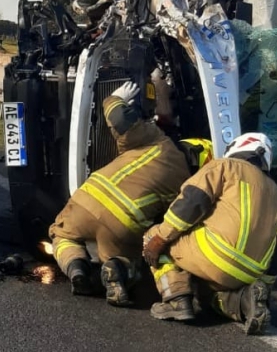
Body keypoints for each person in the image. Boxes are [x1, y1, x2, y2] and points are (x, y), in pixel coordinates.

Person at [48, 80, 192, 306]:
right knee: (128, 261)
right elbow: (169, 221)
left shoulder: (156, 139)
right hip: (122, 223)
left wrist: (115, 99)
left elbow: (120, 119)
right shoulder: (186, 182)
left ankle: (76, 268)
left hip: (85, 201)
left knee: (62, 235)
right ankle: (117, 270)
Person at [142, 132, 277, 335]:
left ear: (235, 148)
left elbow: (191, 204)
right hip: (249, 273)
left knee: (153, 235)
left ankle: (176, 299)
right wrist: (265, 285)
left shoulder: (225, 166)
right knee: (208, 294)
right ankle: (246, 301)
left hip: (215, 255)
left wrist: (160, 238)